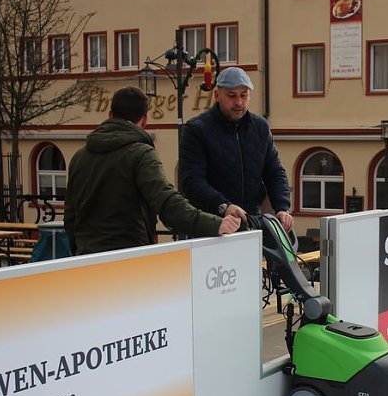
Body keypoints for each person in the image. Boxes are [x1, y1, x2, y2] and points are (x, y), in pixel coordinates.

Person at [65, 86, 241, 255]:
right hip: (127, 257)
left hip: (85, 259)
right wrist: (216, 224)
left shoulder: (80, 156)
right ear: (144, 120)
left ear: (110, 115)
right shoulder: (141, 154)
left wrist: (79, 251)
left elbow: (70, 217)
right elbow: (167, 204)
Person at [180, 67, 293, 232]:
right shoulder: (196, 130)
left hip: (251, 221)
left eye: (244, 95)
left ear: (250, 95)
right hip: (211, 225)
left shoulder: (260, 127)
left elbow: (275, 172)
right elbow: (192, 182)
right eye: (232, 95)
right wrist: (224, 206)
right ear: (217, 95)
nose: (239, 102)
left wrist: (282, 208)